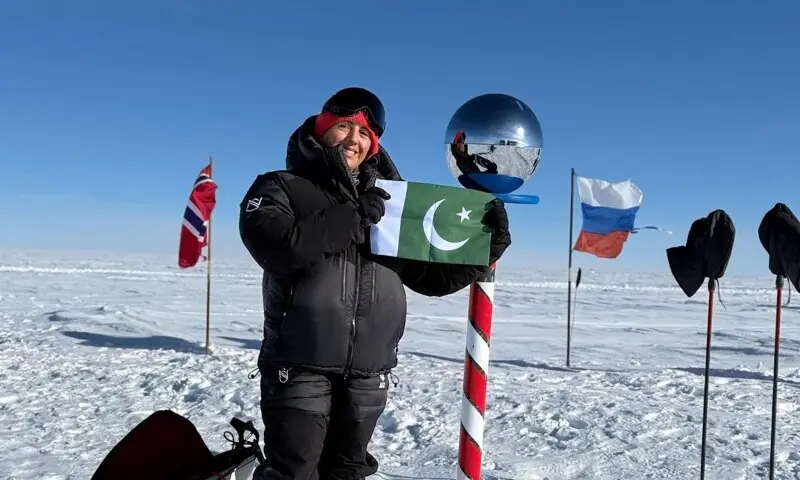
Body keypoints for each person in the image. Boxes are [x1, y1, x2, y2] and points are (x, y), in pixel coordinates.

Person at [239, 86, 512, 480]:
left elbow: (427, 276)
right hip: (300, 367)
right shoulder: (281, 186)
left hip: (368, 373)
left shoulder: (390, 200)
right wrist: (351, 217)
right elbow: (277, 247)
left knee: (349, 472)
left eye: (365, 133)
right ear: (321, 128)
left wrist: (485, 249)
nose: (354, 139)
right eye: (345, 126)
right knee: (294, 472)